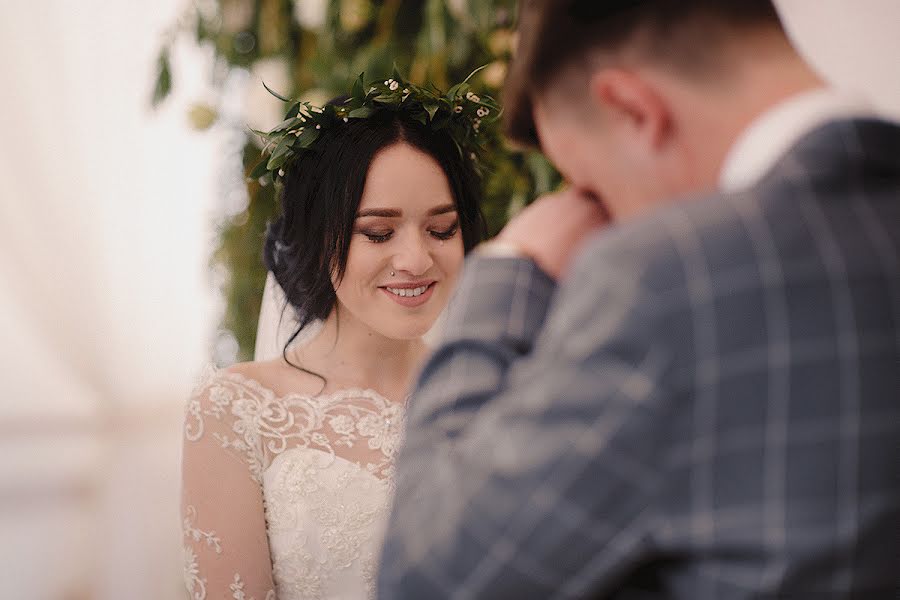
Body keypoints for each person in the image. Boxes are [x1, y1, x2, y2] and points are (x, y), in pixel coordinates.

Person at [379, 1, 899, 598]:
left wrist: (509, 270)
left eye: (592, 189)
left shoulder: (669, 282)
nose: (599, 218)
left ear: (635, 111)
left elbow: (426, 578)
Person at [181, 75, 493, 600]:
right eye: (378, 232)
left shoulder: (497, 392)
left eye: (442, 229)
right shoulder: (236, 410)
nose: (417, 260)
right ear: (317, 233)